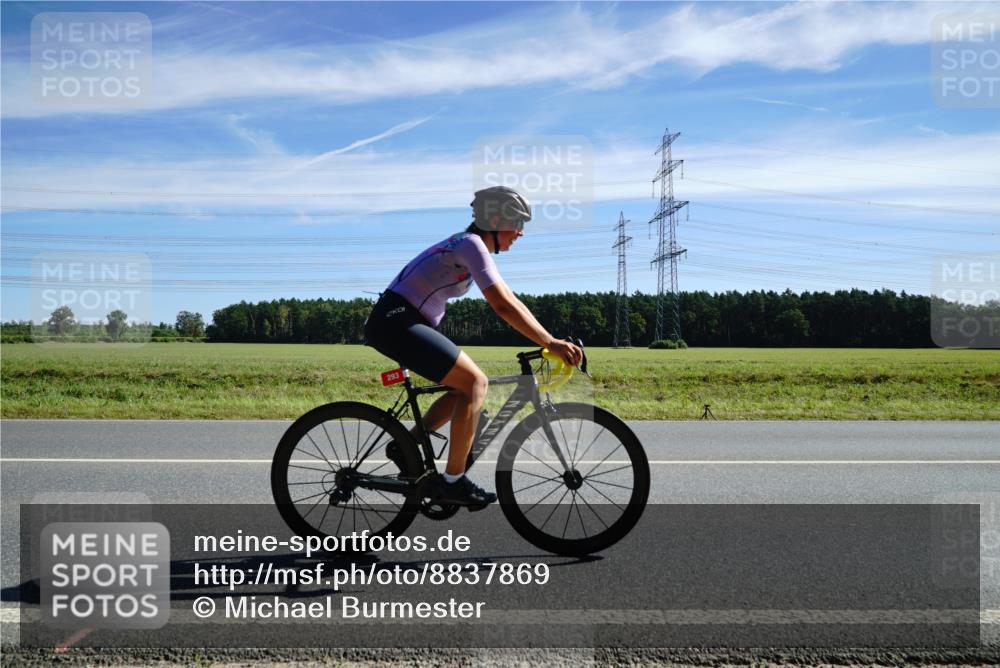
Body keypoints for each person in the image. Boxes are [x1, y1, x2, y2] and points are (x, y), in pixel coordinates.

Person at [364, 186, 583, 508]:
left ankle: (405, 445)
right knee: (475, 383)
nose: (520, 233)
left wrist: (549, 337)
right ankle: (452, 482)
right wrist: (549, 342)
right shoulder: (471, 244)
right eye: (517, 223)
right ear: (494, 220)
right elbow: (502, 307)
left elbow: (511, 300)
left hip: (401, 321)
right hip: (396, 322)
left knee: (461, 390)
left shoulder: (469, 245)